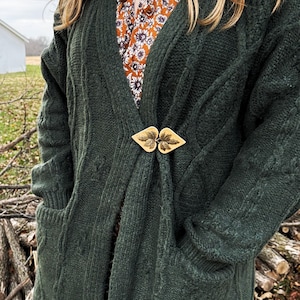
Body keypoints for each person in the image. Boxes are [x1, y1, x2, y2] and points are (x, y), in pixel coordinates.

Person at [31, 0, 300, 298]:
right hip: (70, 263)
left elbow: (287, 140)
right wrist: (56, 199)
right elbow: (57, 100)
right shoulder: (80, 4)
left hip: (190, 275)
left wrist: (209, 251)